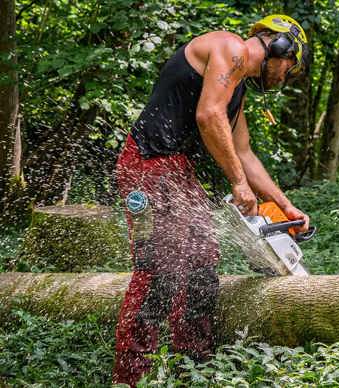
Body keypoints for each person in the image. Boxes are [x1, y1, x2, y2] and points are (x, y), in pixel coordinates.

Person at [112, 15, 311, 386]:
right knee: (160, 269)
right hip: (147, 163)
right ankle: (129, 377)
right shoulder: (229, 47)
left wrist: (285, 206)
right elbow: (208, 115)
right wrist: (238, 184)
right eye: (290, 67)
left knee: (203, 260)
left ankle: (194, 366)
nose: (285, 76)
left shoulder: (236, 89)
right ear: (281, 48)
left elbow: (245, 153)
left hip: (175, 170)